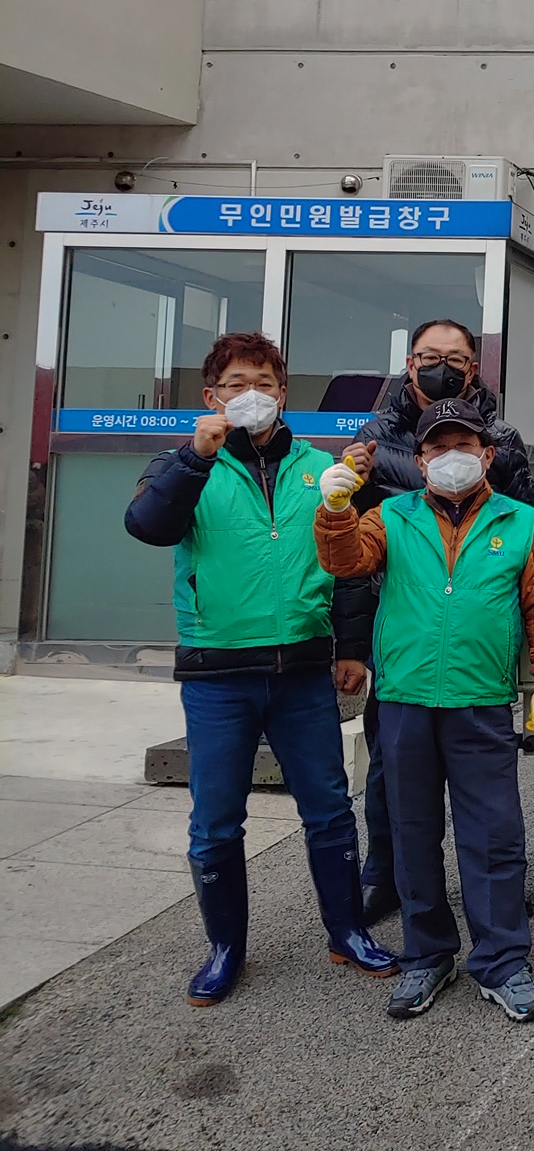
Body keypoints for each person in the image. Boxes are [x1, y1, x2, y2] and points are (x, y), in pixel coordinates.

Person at [123, 331, 395, 1005]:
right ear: (211, 396)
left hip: (303, 671)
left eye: (267, 384)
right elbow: (147, 525)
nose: (253, 396)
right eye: (237, 384)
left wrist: (352, 648)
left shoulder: (318, 468)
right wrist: (194, 456)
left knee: (330, 810)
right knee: (216, 820)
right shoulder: (183, 467)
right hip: (218, 676)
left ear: (284, 394)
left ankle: (347, 931)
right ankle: (225, 950)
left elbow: (350, 566)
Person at [315, 397, 534, 1023]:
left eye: (463, 446)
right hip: (404, 701)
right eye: (436, 448)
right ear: (420, 459)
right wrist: (335, 507)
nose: (450, 458)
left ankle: (502, 960)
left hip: (480, 702)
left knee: (495, 836)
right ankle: (427, 954)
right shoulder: (390, 515)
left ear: (487, 455)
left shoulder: (520, 521)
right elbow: (342, 561)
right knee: (411, 834)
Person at [331, 317, 534, 928]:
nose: (440, 366)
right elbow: (348, 554)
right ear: (409, 361)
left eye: (454, 357)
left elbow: (526, 534)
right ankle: (386, 878)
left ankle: (497, 896)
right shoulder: (371, 439)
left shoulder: (499, 438)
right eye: (428, 355)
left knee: (487, 792)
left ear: (473, 367)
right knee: (390, 777)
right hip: (401, 635)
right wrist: (349, 645)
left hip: (476, 643)